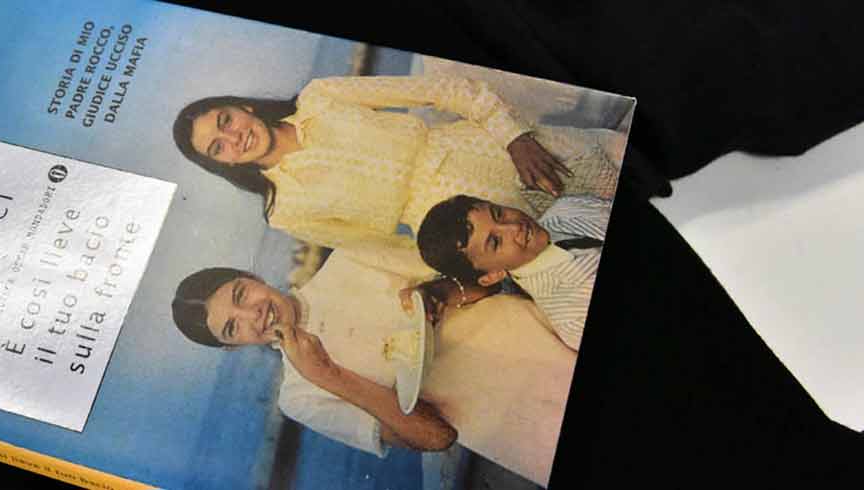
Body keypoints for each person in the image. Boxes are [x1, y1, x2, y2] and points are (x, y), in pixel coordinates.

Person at [171, 247, 575, 486]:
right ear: (232, 347)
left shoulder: (348, 260)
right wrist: (326, 374)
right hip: (513, 431)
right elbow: (436, 437)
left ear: (252, 276)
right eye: (233, 327)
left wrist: (438, 293)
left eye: (241, 294)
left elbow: (475, 276)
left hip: (542, 338)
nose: (253, 314)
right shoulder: (298, 396)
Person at [172, 75, 623, 252]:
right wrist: (461, 276)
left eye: (225, 121)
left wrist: (514, 137)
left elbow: (442, 90)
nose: (233, 138)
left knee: (622, 171)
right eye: (218, 148)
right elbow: (382, 251)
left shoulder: (321, 96)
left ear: (242, 106)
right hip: (471, 231)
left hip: (494, 151)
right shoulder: (284, 211)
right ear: (223, 165)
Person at [417, 194, 612, 351]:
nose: (515, 227)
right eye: (495, 242)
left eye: (499, 214)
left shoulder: (567, 206)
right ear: (492, 275)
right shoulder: (573, 317)